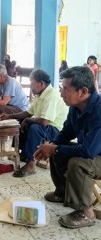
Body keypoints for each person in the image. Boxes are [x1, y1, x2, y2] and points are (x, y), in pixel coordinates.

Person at [33, 66, 101, 229]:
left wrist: (54, 149)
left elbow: (87, 151)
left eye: (65, 89)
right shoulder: (75, 108)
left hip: (95, 153)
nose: (61, 93)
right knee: (58, 149)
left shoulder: (99, 111)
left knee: (78, 163)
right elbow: (67, 132)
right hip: (93, 152)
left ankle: (86, 213)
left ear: (83, 91)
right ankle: (63, 193)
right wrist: (51, 145)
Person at [0, 69, 68, 177]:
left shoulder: (52, 96)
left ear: (41, 83)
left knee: (35, 128)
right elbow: (28, 113)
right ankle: (24, 154)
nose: (30, 85)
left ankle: (31, 163)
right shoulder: (41, 95)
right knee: (23, 123)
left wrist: (28, 120)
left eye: (32, 83)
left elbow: (44, 121)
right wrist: (8, 116)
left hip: (56, 131)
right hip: (47, 126)